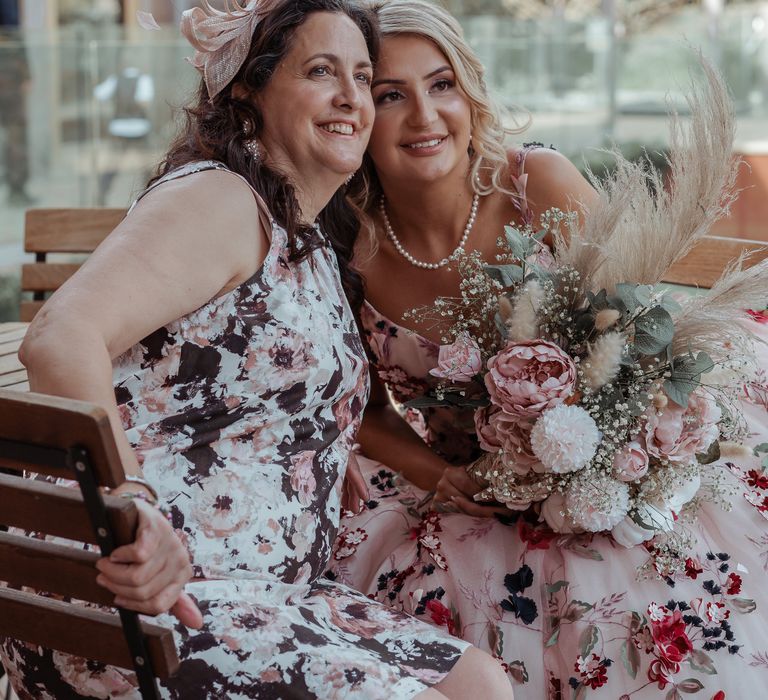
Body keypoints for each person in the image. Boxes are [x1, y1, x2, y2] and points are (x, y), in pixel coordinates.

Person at [0, 1, 513, 698]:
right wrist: (127, 509)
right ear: (248, 90)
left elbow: (229, 378)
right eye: (320, 71)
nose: (350, 99)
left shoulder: (302, 235)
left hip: (263, 595)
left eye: (363, 78)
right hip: (153, 605)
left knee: (481, 683)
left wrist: (316, 445)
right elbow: (61, 337)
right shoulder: (222, 199)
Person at [327, 1, 768, 697]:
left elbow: (644, 338)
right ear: (355, 112)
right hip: (472, 503)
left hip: (610, 475)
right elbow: (356, 410)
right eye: (390, 95)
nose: (424, 116)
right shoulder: (346, 248)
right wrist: (437, 476)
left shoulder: (536, 185)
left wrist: (609, 459)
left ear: (468, 91)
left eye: (441, 85)